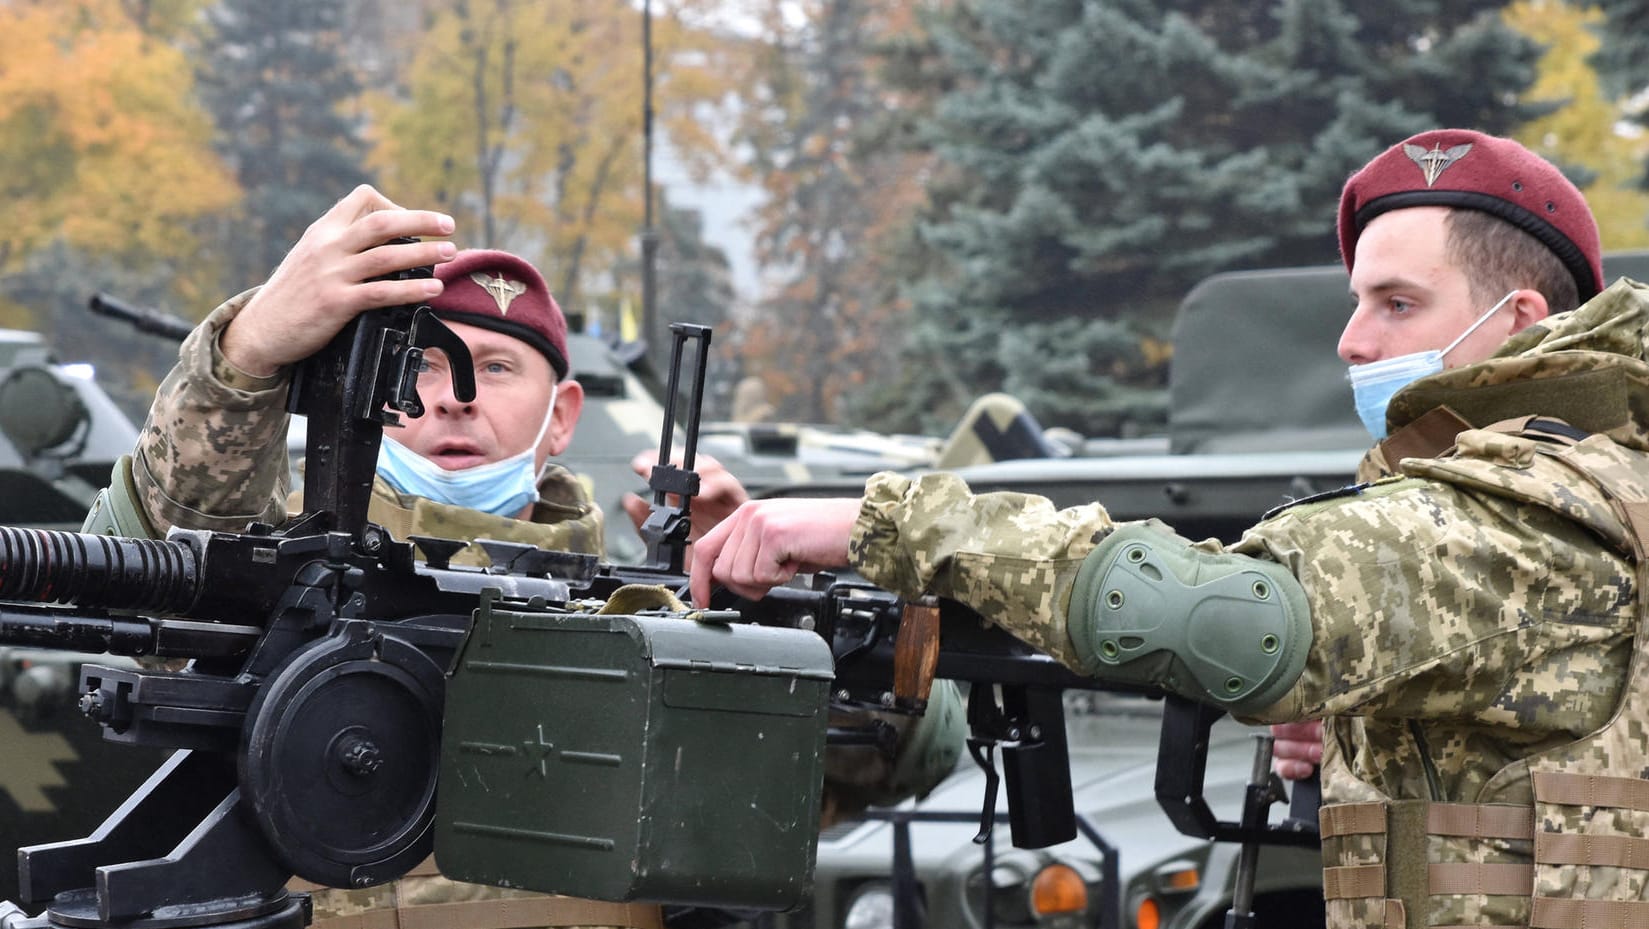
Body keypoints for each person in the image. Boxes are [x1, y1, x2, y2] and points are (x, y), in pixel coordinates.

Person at [691, 129, 1649, 928]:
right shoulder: (1600, 479)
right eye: (1355, 301)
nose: (1352, 340)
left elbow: (1227, 620)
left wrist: (891, 519)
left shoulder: (1526, 507)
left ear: (1518, 320)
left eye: (1396, 304)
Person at [84, 185, 963, 929]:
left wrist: (772, 611)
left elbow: (909, 755)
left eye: (495, 368)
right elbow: (130, 588)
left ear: (564, 414)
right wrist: (242, 358)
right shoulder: (280, 589)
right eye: (419, 367)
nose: (452, 401)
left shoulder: (647, 618)